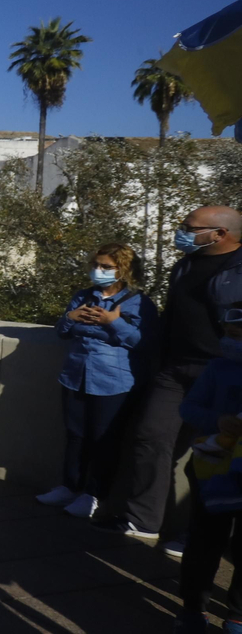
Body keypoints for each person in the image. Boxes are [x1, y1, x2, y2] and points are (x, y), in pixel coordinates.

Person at [100, 207, 242, 543]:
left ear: (220, 234)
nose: (181, 232)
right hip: (175, 368)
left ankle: (199, 537)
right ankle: (144, 520)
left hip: (221, 372)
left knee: (214, 453)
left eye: (189, 227)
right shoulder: (185, 265)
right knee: (150, 437)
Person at [39, 243, 155, 519]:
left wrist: (112, 322)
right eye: (96, 265)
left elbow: (143, 342)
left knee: (104, 439)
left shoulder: (138, 302)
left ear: (123, 269)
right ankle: (70, 486)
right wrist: (71, 317)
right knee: (75, 434)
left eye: (106, 267)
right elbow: (63, 332)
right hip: (75, 376)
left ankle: (94, 495)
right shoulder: (83, 296)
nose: (98, 270)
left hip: (113, 380)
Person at [172, 305, 242, 634]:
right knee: (204, 542)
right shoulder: (217, 369)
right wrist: (218, 421)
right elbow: (188, 408)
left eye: (239, 336)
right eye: (229, 334)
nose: (232, 341)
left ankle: (238, 618)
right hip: (211, 470)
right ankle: (192, 611)